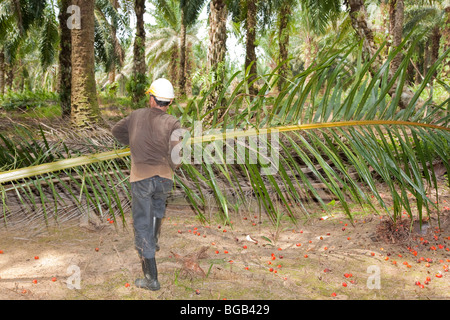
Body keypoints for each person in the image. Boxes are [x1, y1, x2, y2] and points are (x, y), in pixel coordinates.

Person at [112, 78, 181, 291]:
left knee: (142, 223)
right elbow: (177, 158)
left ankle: (151, 279)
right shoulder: (174, 123)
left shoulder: (135, 116)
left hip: (141, 178)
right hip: (164, 178)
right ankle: (154, 240)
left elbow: (116, 131)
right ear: (169, 103)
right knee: (158, 208)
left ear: (151, 99)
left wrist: (134, 139)